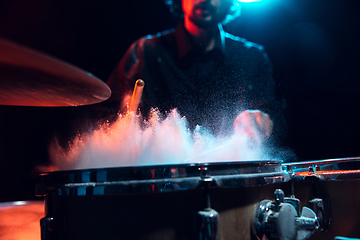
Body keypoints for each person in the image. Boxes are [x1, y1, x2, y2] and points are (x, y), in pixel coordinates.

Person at [105, 0, 285, 145]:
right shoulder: (145, 53)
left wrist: (264, 122)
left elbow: (276, 121)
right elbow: (106, 116)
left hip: (229, 183)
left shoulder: (252, 57)